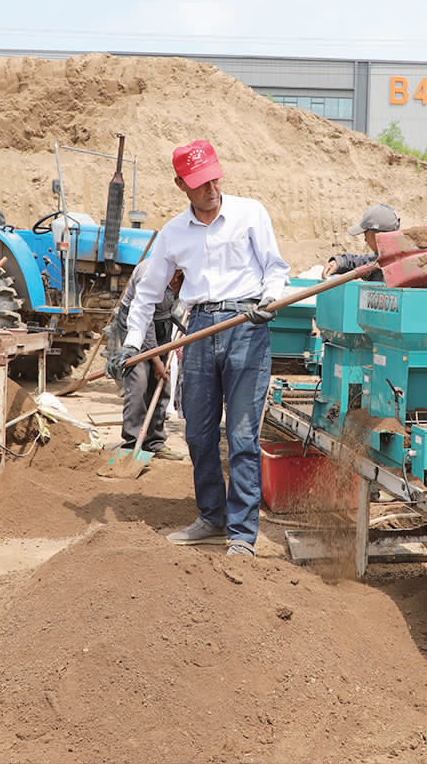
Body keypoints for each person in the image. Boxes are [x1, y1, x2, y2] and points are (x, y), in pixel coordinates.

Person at [108, 139, 290, 557]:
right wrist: (131, 344)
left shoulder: (250, 213)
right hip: (200, 329)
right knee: (198, 433)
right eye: (199, 182)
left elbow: (276, 269)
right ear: (181, 185)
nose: (210, 187)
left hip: (246, 323)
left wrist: (269, 301)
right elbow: (147, 295)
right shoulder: (173, 234)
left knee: (242, 435)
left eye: (213, 177)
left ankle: (242, 536)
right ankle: (212, 517)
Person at [106, 258, 186, 462]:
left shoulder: (185, 271)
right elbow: (144, 322)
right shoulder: (149, 274)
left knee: (162, 382)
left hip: (163, 322)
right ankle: (133, 442)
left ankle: (155, 442)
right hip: (137, 324)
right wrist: (157, 361)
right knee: (140, 380)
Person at [323, 203, 399, 282]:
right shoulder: (381, 258)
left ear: (377, 237)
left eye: (366, 235)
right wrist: (338, 263)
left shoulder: (403, 266)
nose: (365, 240)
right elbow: (358, 261)